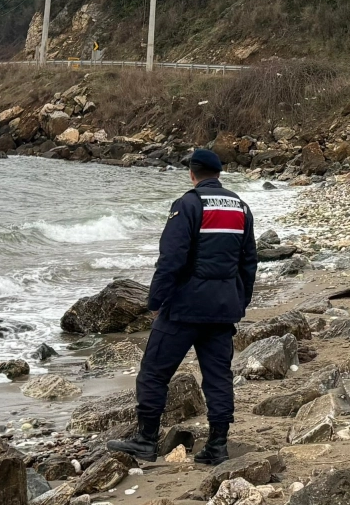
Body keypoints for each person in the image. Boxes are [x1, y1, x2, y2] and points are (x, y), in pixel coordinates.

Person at [108, 148, 257, 465]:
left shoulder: (187, 205)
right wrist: (239, 302)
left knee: (153, 373)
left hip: (184, 308)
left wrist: (155, 301)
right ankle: (217, 445)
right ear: (218, 174)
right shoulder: (241, 208)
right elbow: (248, 263)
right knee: (218, 377)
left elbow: (170, 260)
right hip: (222, 309)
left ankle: (146, 440)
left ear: (192, 173)